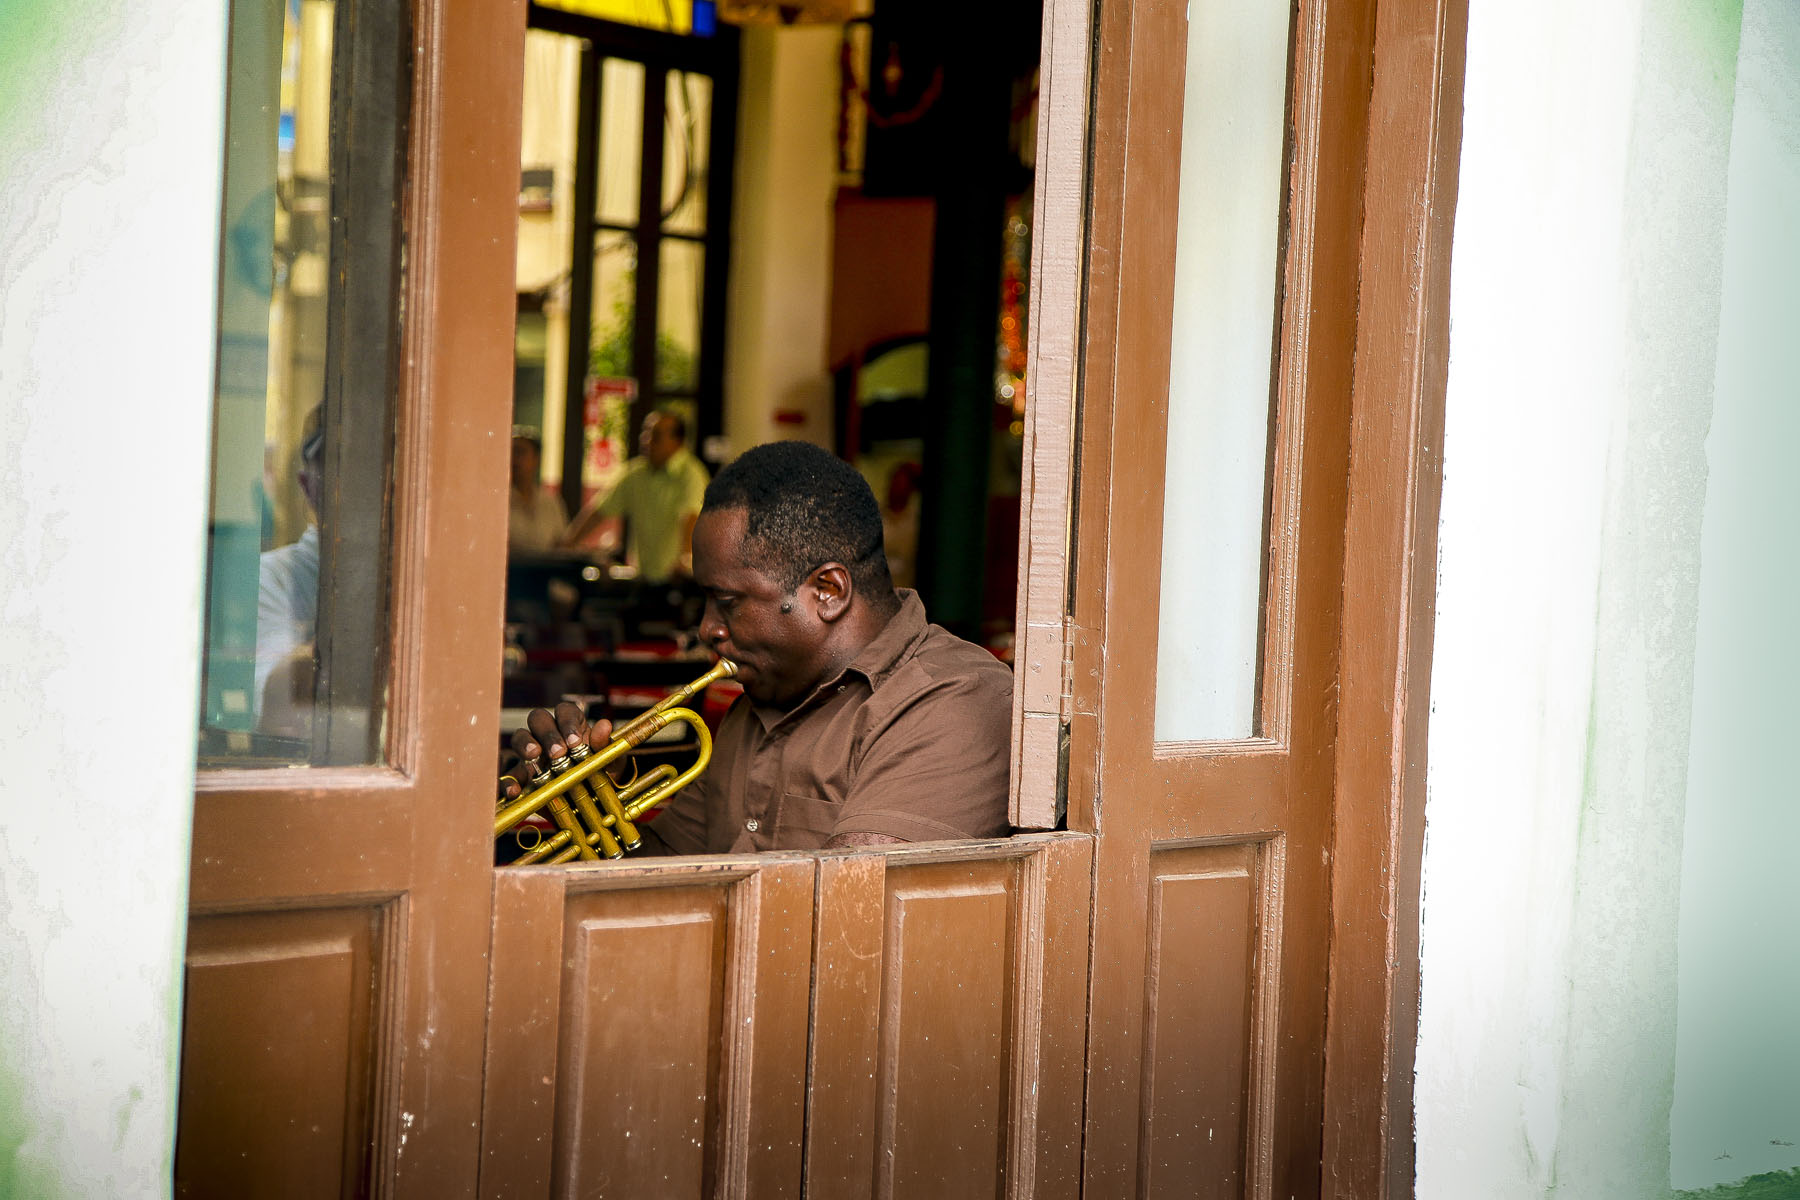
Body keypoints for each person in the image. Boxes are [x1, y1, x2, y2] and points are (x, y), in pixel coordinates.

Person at [503, 440, 1013, 852]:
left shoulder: (952, 700)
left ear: (828, 592)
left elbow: (848, 920)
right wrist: (593, 806)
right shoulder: (759, 700)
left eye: (726, 602)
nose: (707, 630)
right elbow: (670, 876)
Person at [561, 409, 709, 583]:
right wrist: (568, 544)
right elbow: (599, 511)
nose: (646, 440)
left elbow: (691, 518)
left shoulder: (691, 474)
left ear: (677, 442)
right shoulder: (635, 473)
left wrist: (686, 560)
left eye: (656, 436)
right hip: (642, 579)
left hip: (676, 580)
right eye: (645, 433)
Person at [506, 428, 570, 553]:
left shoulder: (550, 501)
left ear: (536, 459)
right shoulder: (498, 500)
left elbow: (561, 543)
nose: (514, 460)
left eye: (520, 453)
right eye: (511, 452)